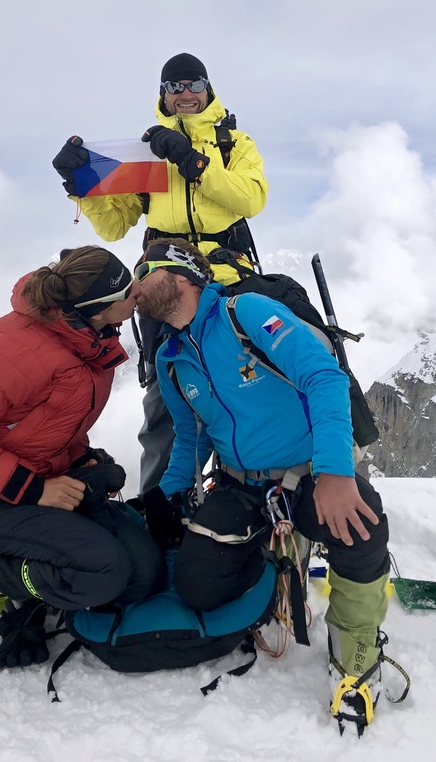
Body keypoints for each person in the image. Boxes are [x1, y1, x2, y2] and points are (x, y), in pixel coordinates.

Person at [133, 239, 393, 735]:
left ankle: (355, 637)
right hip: (239, 485)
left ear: (182, 276)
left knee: (360, 524)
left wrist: (337, 473)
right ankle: (279, 568)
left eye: (145, 274)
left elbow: (323, 376)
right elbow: (190, 436)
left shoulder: (244, 313)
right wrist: (166, 496)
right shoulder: (170, 359)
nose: (136, 289)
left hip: (308, 471)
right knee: (199, 589)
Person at [0, 246, 167, 675]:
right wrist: (37, 489)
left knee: (142, 575)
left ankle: (36, 586)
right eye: (128, 290)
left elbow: (42, 426)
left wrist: (83, 458)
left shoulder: (87, 341)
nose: (137, 295)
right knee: (103, 572)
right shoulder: (12, 348)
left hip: (36, 480)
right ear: (97, 308)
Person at [52, 52, 268, 494]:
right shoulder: (146, 152)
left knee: (257, 367)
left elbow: (251, 199)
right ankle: (162, 503)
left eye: (193, 84)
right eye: (175, 86)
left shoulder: (234, 144)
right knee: (168, 397)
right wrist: (81, 185)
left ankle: (252, 479)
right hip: (163, 274)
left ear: (208, 89)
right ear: (163, 95)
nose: (185, 93)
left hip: (227, 270)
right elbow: (114, 224)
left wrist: (195, 164)